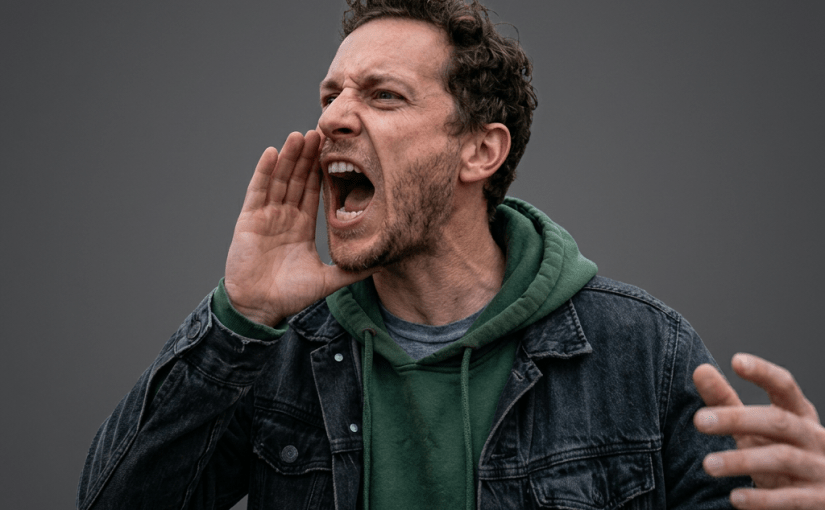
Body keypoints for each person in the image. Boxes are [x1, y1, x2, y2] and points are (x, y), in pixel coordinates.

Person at [78, 1, 825, 509]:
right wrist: (239, 318)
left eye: (382, 96)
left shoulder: (641, 351)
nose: (334, 116)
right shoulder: (281, 350)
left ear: (478, 150)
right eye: (331, 93)